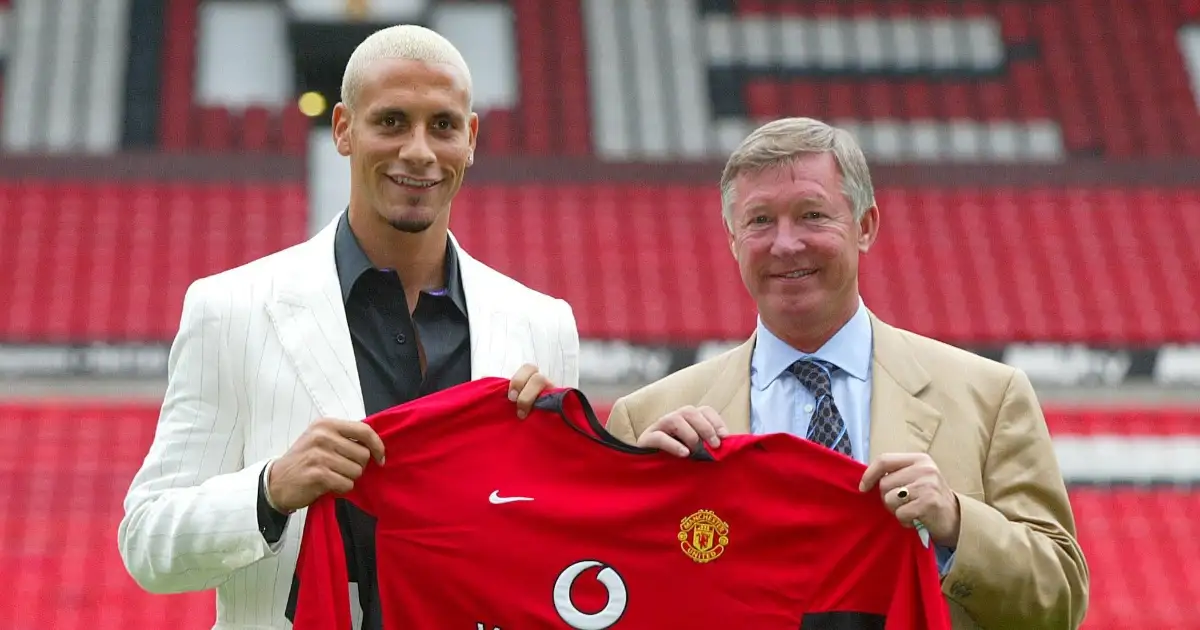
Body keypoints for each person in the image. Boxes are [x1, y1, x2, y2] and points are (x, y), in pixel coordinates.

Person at [117, 25, 574, 629]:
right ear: (342, 129)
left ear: (471, 139)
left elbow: (558, 547)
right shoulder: (230, 309)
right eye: (391, 121)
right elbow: (148, 544)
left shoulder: (543, 325)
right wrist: (270, 491)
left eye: (442, 125)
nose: (418, 150)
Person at [603, 117, 1088, 629]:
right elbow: (601, 599)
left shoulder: (991, 398)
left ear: (865, 225)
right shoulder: (646, 424)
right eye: (760, 221)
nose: (785, 244)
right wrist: (646, 509)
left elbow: (1062, 603)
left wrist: (956, 525)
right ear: (732, 238)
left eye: (812, 215)